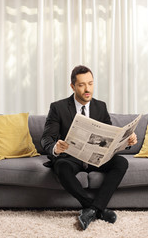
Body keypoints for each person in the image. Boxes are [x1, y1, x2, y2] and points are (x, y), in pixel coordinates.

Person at [41, 65, 137, 230]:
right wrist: (56, 148)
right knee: (61, 166)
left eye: (90, 84)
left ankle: (91, 210)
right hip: (71, 158)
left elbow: (110, 137)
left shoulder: (101, 107)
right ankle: (97, 209)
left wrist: (126, 141)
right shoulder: (58, 108)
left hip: (95, 158)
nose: (87, 89)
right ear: (72, 86)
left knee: (121, 163)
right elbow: (46, 139)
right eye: (82, 85)